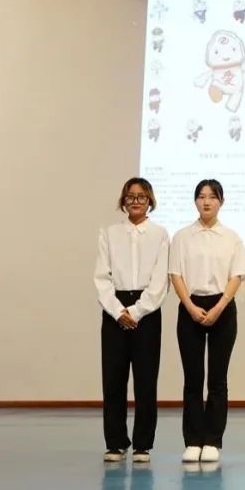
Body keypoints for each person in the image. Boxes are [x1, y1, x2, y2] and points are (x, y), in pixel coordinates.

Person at [169, 179, 245, 463]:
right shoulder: (182, 236)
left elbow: (237, 275)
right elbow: (175, 275)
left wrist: (218, 307)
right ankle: (193, 440)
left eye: (212, 197)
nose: (206, 202)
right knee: (193, 378)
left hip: (222, 307)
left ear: (221, 202)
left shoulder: (231, 237)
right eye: (201, 196)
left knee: (218, 378)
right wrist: (191, 307)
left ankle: (213, 441)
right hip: (190, 306)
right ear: (195, 201)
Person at [94, 177, 170, 463]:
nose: (135, 201)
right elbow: (102, 277)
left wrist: (136, 311)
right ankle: (115, 442)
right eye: (130, 196)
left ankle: (142, 444)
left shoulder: (160, 234)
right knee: (113, 379)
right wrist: (118, 311)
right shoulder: (110, 233)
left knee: (146, 379)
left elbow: (160, 281)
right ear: (123, 200)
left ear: (150, 200)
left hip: (146, 312)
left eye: (141, 196)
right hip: (115, 309)